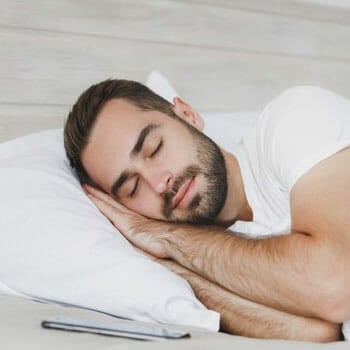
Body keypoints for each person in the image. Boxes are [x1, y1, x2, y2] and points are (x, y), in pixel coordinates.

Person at [64, 79, 350, 342]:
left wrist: (167, 236)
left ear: (186, 115)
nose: (158, 183)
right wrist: (172, 267)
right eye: (133, 188)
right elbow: (317, 333)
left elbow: (334, 285)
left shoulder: (295, 117)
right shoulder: (205, 258)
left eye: (154, 148)